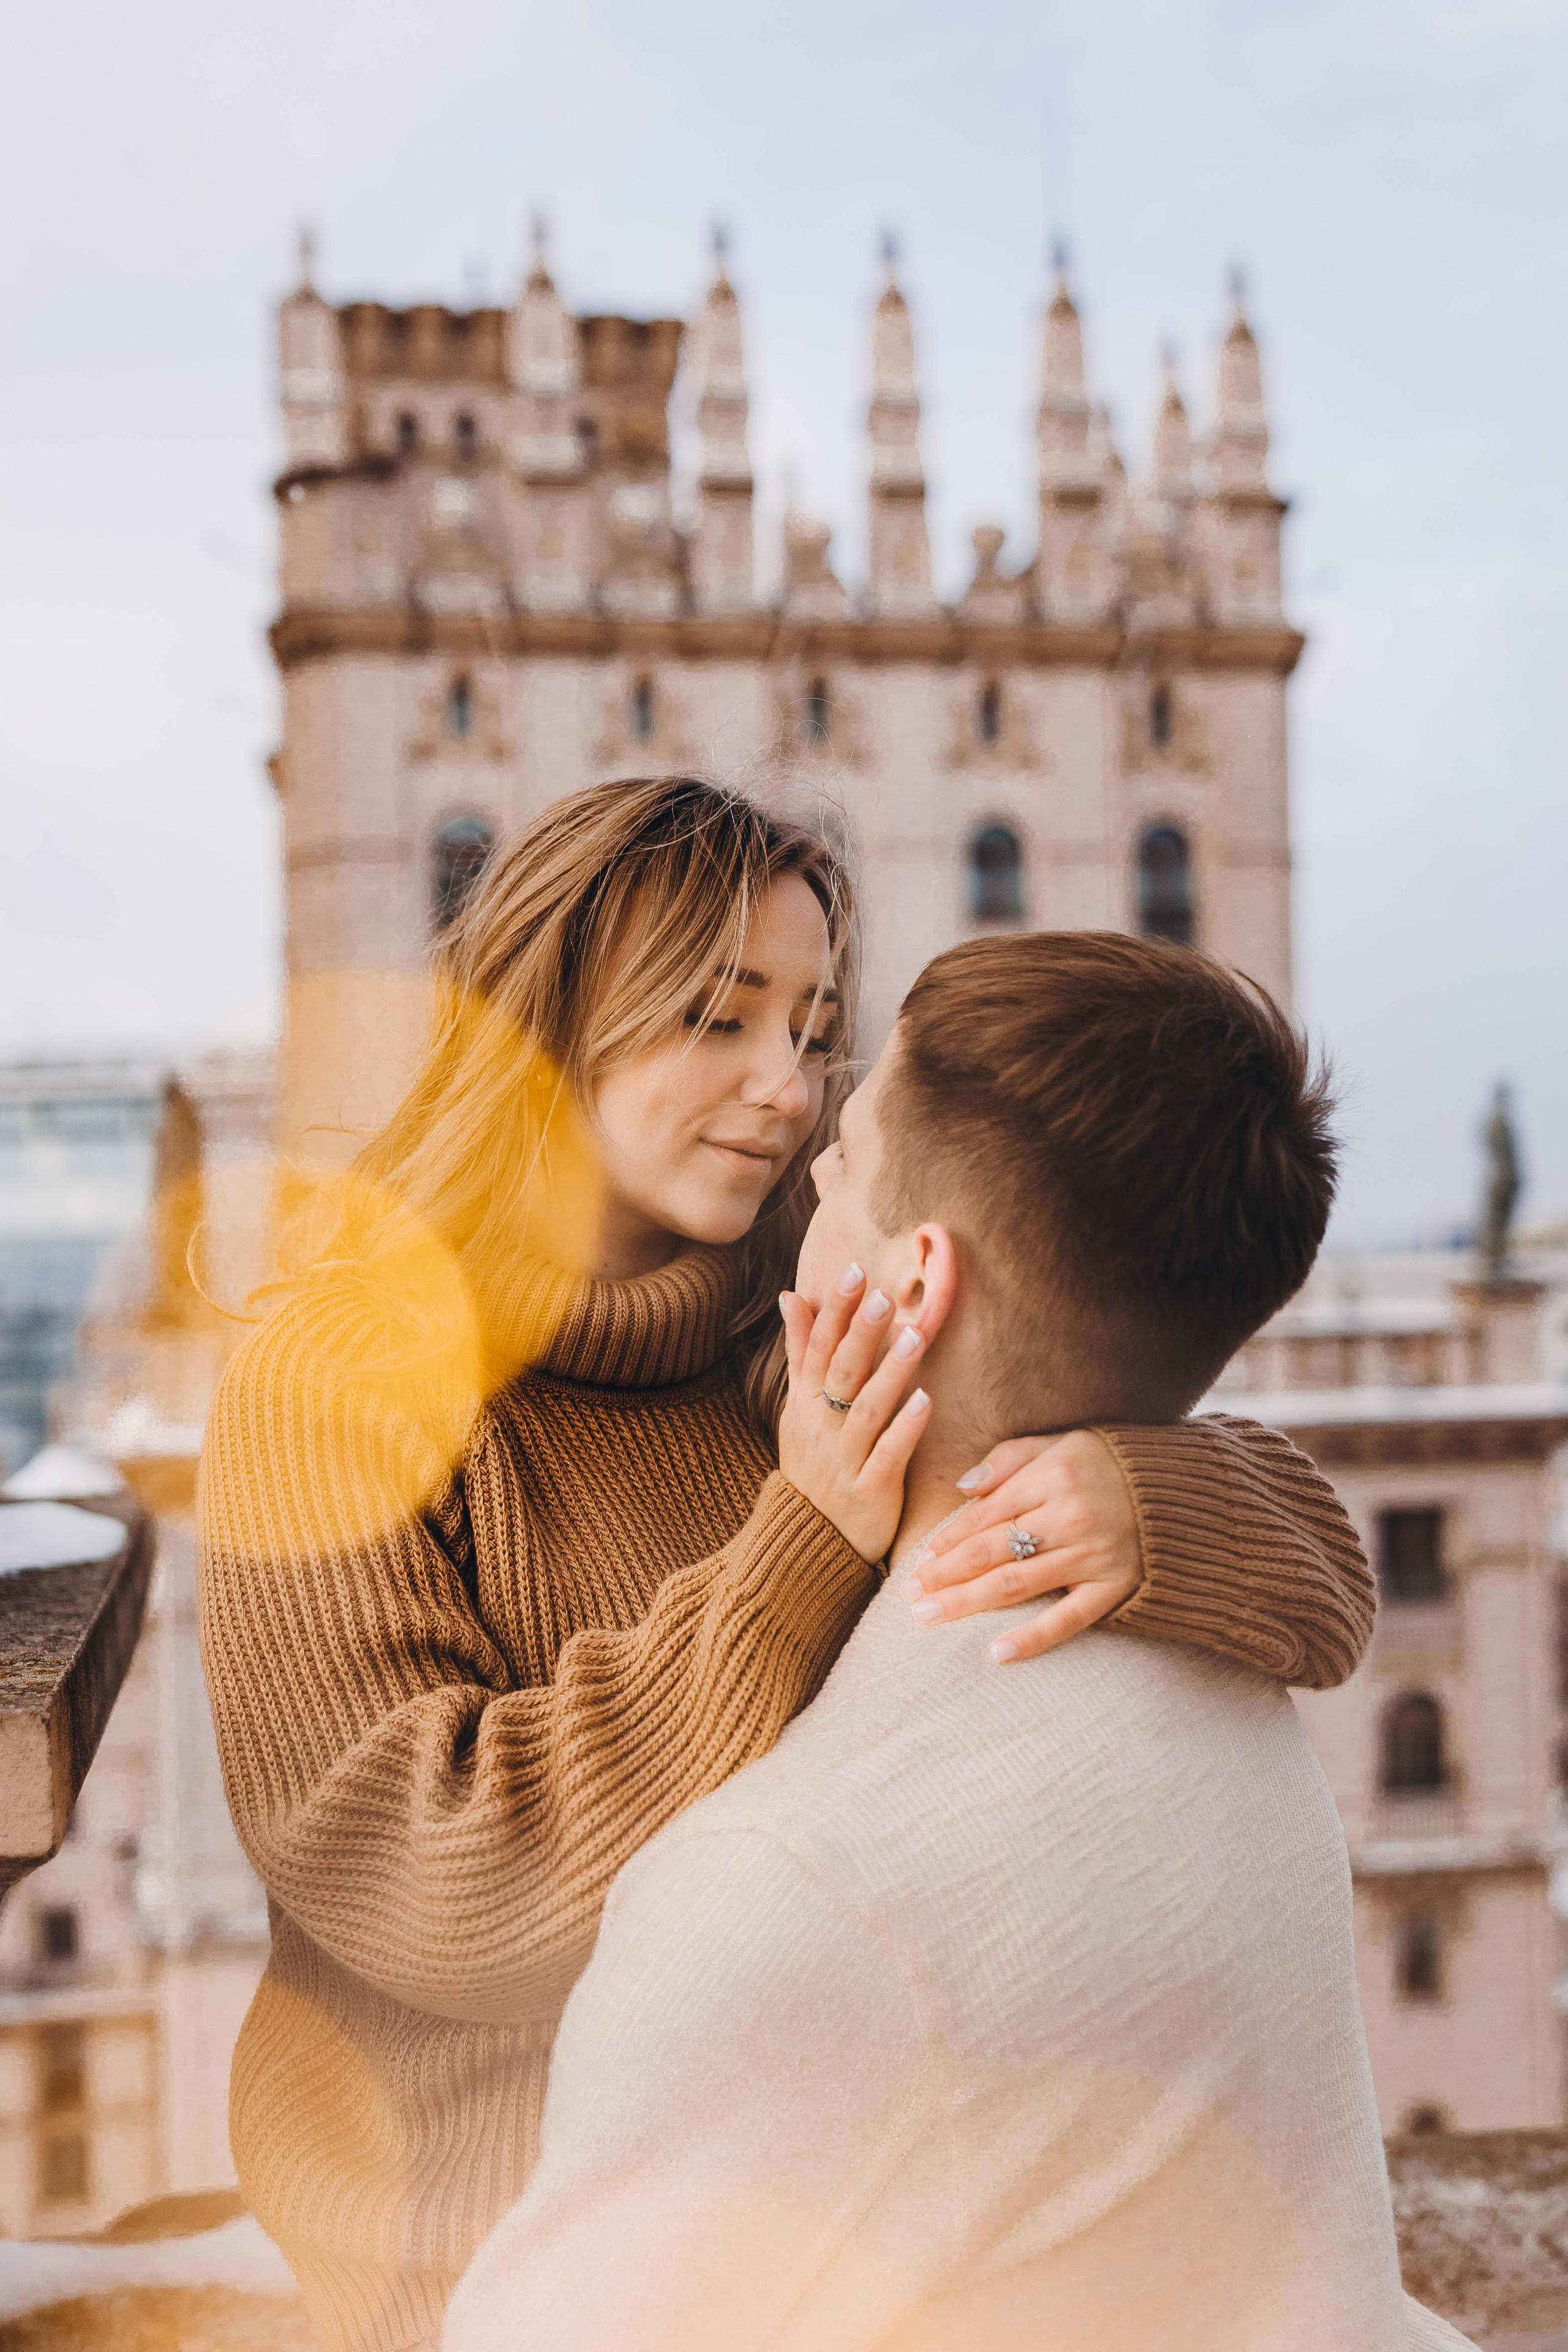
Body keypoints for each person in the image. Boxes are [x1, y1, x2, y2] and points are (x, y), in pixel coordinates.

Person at [200, 780, 1375, 2352]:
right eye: (718, 1017)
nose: (789, 1089)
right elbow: (431, 1887)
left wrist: (1144, 1493)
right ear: (549, 1018)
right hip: (487, 2274)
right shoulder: (331, 1383)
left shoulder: (789, 1326)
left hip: (830, 2231)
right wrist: (800, 1546)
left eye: (816, 1030)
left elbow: (1319, 1582)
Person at [445, 930, 1474, 2352]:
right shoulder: (1229, 1679)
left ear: (912, 1287)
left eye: (851, 1155)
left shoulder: (782, 1895)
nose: (806, 1149)